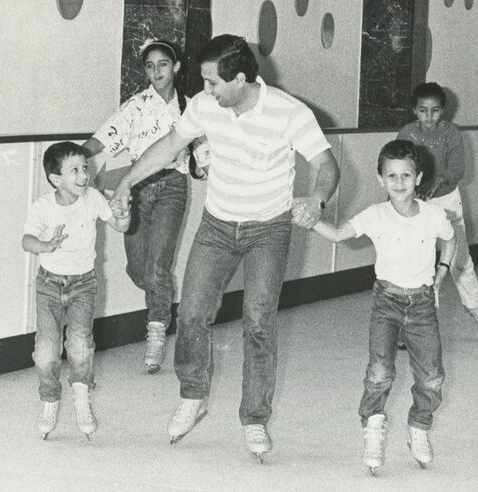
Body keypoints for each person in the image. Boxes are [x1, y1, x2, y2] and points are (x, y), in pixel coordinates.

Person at [110, 34, 339, 459]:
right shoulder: (204, 106)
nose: (206, 91)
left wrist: (317, 198)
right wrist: (126, 180)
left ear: (239, 78)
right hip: (216, 225)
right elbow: (166, 148)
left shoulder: (289, 112)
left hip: (268, 230)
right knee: (193, 313)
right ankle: (193, 396)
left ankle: (254, 419)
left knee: (258, 322)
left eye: (213, 82)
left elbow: (326, 165)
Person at [304, 139, 456, 474]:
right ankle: (373, 428)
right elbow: (338, 234)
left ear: (418, 179)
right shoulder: (375, 215)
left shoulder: (434, 215)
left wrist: (442, 273)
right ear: (380, 180)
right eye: (391, 176)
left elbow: (450, 239)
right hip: (386, 301)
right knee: (379, 373)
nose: (399, 182)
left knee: (431, 376)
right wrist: (309, 218)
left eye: (406, 175)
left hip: (422, 304)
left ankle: (418, 427)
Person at [82, 39, 210, 374]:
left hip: (172, 187)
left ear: (176, 67)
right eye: (150, 66)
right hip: (135, 189)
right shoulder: (136, 106)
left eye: (163, 64)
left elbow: (206, 149)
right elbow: (103, 137)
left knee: (157, 268)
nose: (157, 72)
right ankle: (160, 293)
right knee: (140, 269)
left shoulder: (190, 106)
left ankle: (156, 332)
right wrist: (75, 156)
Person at [22, 142, 131, 440]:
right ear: (56, 179)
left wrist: (123, 213)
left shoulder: (93, 198)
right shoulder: (43, 206)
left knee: (81, 345)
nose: (84, 175)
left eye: (85, 168)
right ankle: (50, 400)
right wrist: (45, 245)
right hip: (48, 285)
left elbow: (120, 226)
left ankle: (82, 399)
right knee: (46, 350)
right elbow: (26, 240)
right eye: (75, 170)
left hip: (83, 283)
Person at [397, 82, 478, 336]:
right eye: (423, 111)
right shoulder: (407, 133)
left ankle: (474, 305)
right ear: (414, 110)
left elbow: (458, 169)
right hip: (416, 202)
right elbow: (399, 164)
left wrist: (439, 180)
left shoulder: (451, 134)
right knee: (415, 261)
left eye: (435, 111)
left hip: (447, 201)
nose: (429, 117)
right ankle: (412, 323)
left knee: (458, 258)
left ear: (443, 111)